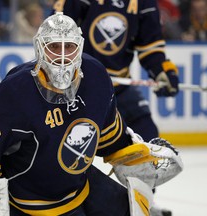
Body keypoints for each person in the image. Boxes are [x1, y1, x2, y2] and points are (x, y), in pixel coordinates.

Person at [0, 12, 182, 215]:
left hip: (81, 187)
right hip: (29, 205)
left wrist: (135, 153)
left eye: (69, 47)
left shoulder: (96, 76)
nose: (63, 56)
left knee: (137, 209)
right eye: (54, 46)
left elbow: (108, 135)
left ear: (80, 47)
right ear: (40, 48)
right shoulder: (16, 90)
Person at [53, 1, 180, 215]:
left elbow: (151, 47)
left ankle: (143, 202)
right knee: (69, 143)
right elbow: (57, 32)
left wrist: (162, 71)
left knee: (145, 132)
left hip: (118, 86)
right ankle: (61, 198)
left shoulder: (144, 3)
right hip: (78, 85)